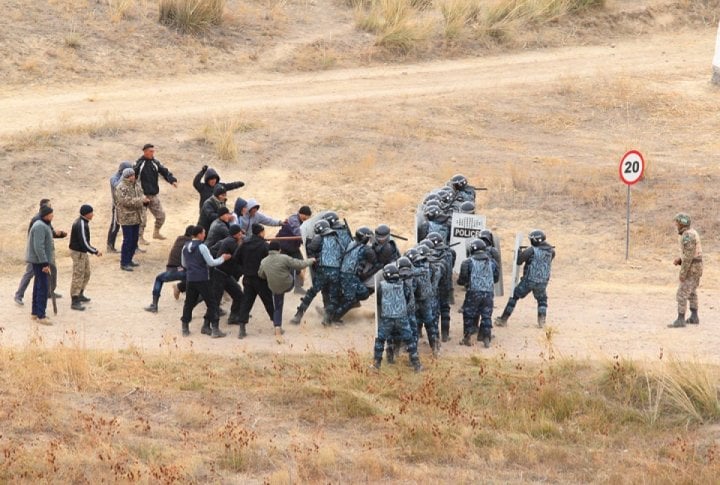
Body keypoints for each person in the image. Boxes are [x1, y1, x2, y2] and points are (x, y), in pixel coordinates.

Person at [495, 230, 555, 328]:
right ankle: (542, 322)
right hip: (543, 282)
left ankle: (503, 319)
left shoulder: (531, 250)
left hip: (529, 280)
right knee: (542, 300)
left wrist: (520, 252)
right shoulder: (551, 251)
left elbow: (519, 261)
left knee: (514, 297)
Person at [180, 225, 232, 338]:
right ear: (199, 234)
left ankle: (185, 327)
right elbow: (211, 262)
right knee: (212, 303)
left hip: (190, 278)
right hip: (202, 278)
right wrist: (223, 258)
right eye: (203, 233)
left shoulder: (185, 246)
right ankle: (215, 329)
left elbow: (184, 264)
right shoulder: (202, 247)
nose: (205, 235)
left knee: (188, 303)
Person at [259, 241, 316, 341]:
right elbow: (300, 264)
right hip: (288, 284)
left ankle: (277, 327)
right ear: (279, 250)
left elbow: (261, 275)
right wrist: (311, 260)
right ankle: (298, 285)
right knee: (294, 267)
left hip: (274, 287)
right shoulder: (284, 258)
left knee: (277, 307)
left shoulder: (263, 261)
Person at [290, 220, 343, 326]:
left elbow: (310, 249)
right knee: (333, 296)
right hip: (336, 271)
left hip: (323, 271)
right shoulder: (338, 238)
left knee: (311, 293)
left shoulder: (319, 238)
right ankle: (327, 319)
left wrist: (316, 257)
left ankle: (298, 316)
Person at [371, 263, 423, 372]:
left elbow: (378, 300)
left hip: (387, 318)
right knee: (410, 340)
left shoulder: (382, 286)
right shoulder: (403, 285)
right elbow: (409, 298)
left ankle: (377, 365)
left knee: (380, 340)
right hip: (402, 318)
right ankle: (417, 365)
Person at [15, 199, 66, 306]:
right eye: (49, 206)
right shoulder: (37, 220)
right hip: (37, 254)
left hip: (46, 252)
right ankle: (18, 295)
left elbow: (49, 233)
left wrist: (60, 234)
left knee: (53, 271)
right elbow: (37, 240)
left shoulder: (46, 218)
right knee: (29, 273)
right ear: (44, 208)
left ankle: (49, 292)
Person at [457, 239, 499, 348]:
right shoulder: (492, 262)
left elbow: (462, 280)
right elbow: (496, 278)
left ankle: (467, 338)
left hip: (473, 292)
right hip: (489, 292)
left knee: (468, 314)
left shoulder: (468, 262)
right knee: (486, 315)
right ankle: (486, 338)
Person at [235, 224, 275, 336]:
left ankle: (242, 329)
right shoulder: (264, 245)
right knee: (268, 302)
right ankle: (277, 326)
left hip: (248, 278)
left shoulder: (245, 244)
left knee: (246, 303)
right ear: (261, 232)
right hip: (261, 279)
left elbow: (236, 258)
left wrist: (244, 269)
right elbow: (271, 261)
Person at [144, 225, 194, 313]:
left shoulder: (179, 239)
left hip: (172, 269)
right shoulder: (191, 244)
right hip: (184, 271)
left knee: (159, 278)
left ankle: (154, 305)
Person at [133, 143, 177, 243]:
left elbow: (164, 171)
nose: (152, 153)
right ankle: (139, 238)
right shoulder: (139, 164)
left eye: (153, 151)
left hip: (153, 195)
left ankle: (156, 232)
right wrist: (139, 194)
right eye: (150, 151)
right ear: (145, 151)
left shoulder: (155, 162)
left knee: (161, 215)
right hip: (142, 196)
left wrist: (172, 180)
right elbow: (132, 178)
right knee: (142, 219)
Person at [334, 226, 376, 320]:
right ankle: (333, 318)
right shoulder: (365, 249)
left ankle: (332, 310)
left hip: (345, 273)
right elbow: (374, 258)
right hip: (350, 275)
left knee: (363, 293)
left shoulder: (351, 243)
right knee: (351, 299)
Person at [669, 213, 703, 328]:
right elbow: (691, 254)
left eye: (677, 223)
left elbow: (688, 257)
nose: (676, 225)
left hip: (692, 268)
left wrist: (682, 273)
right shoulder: (691, 233)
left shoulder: (688, 236)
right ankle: (694, 316)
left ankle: (680, 319)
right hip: (696, 267)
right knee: (692, 291)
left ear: (682, 224)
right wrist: (680, 260)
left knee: (682, 292)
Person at [209, 224, 246, 330]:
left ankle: (233, 317)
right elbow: (238, 256)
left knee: (239, 294)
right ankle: (207, 324)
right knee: (215, 301)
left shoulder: (232, 241)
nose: (241, 234)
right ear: (237, 234)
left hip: (226, 275)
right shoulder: (230, 242)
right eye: (240, 233)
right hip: (219, 274)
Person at [26, 206, 56, 325]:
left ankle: (35, 313)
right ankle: (41, 316)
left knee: (38, 286)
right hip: (40, 262)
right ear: (46, 215)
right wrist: (44, 263)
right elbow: (39, 247)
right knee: (43, 287)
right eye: (51, 214)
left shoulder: (43, 224)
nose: (53, 216)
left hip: (40, 261)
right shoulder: (39, 226)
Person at [68, 205, 102, 311]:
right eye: (91, 212)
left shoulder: (83, 222)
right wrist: (95, 251)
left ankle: (80, 293)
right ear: (86, 214)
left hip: (82, 252)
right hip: (78, 253)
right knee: (78, 275)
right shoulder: (81, 224)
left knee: (86, 273)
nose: (93, 214)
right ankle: (74, 300)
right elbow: (84, 242)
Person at [115, 167, 148, 271]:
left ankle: (129, 260)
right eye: (131, 175)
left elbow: (141, 194)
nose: (133, 177)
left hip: (137, 217)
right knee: (127, 240)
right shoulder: (121, 187)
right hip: (127, 218)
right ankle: (124, 263)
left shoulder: (136, 185)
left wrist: (144, 200)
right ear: (126, 176)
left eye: (133, 175)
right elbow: (125, 202)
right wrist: (141, 201)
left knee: (134, 240)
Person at [275, 205, 312, 294]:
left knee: (302, 264)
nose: (307, 219)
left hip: (293, 247)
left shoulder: (302, 221)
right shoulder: (294, 220)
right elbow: (298, 233)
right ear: (302, 214)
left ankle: (298, 287)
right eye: (306, 217)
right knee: (281, 267)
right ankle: (279, 287)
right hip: (283, 246)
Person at [106, 161, 133, 253]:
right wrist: (124, 176)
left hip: (127, 205)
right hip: (117, 206)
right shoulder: (114, 178)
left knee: (132, 226)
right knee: (115, 226)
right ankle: (110, 246)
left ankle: (133, 246)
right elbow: (117, 186)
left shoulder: (128, 178)